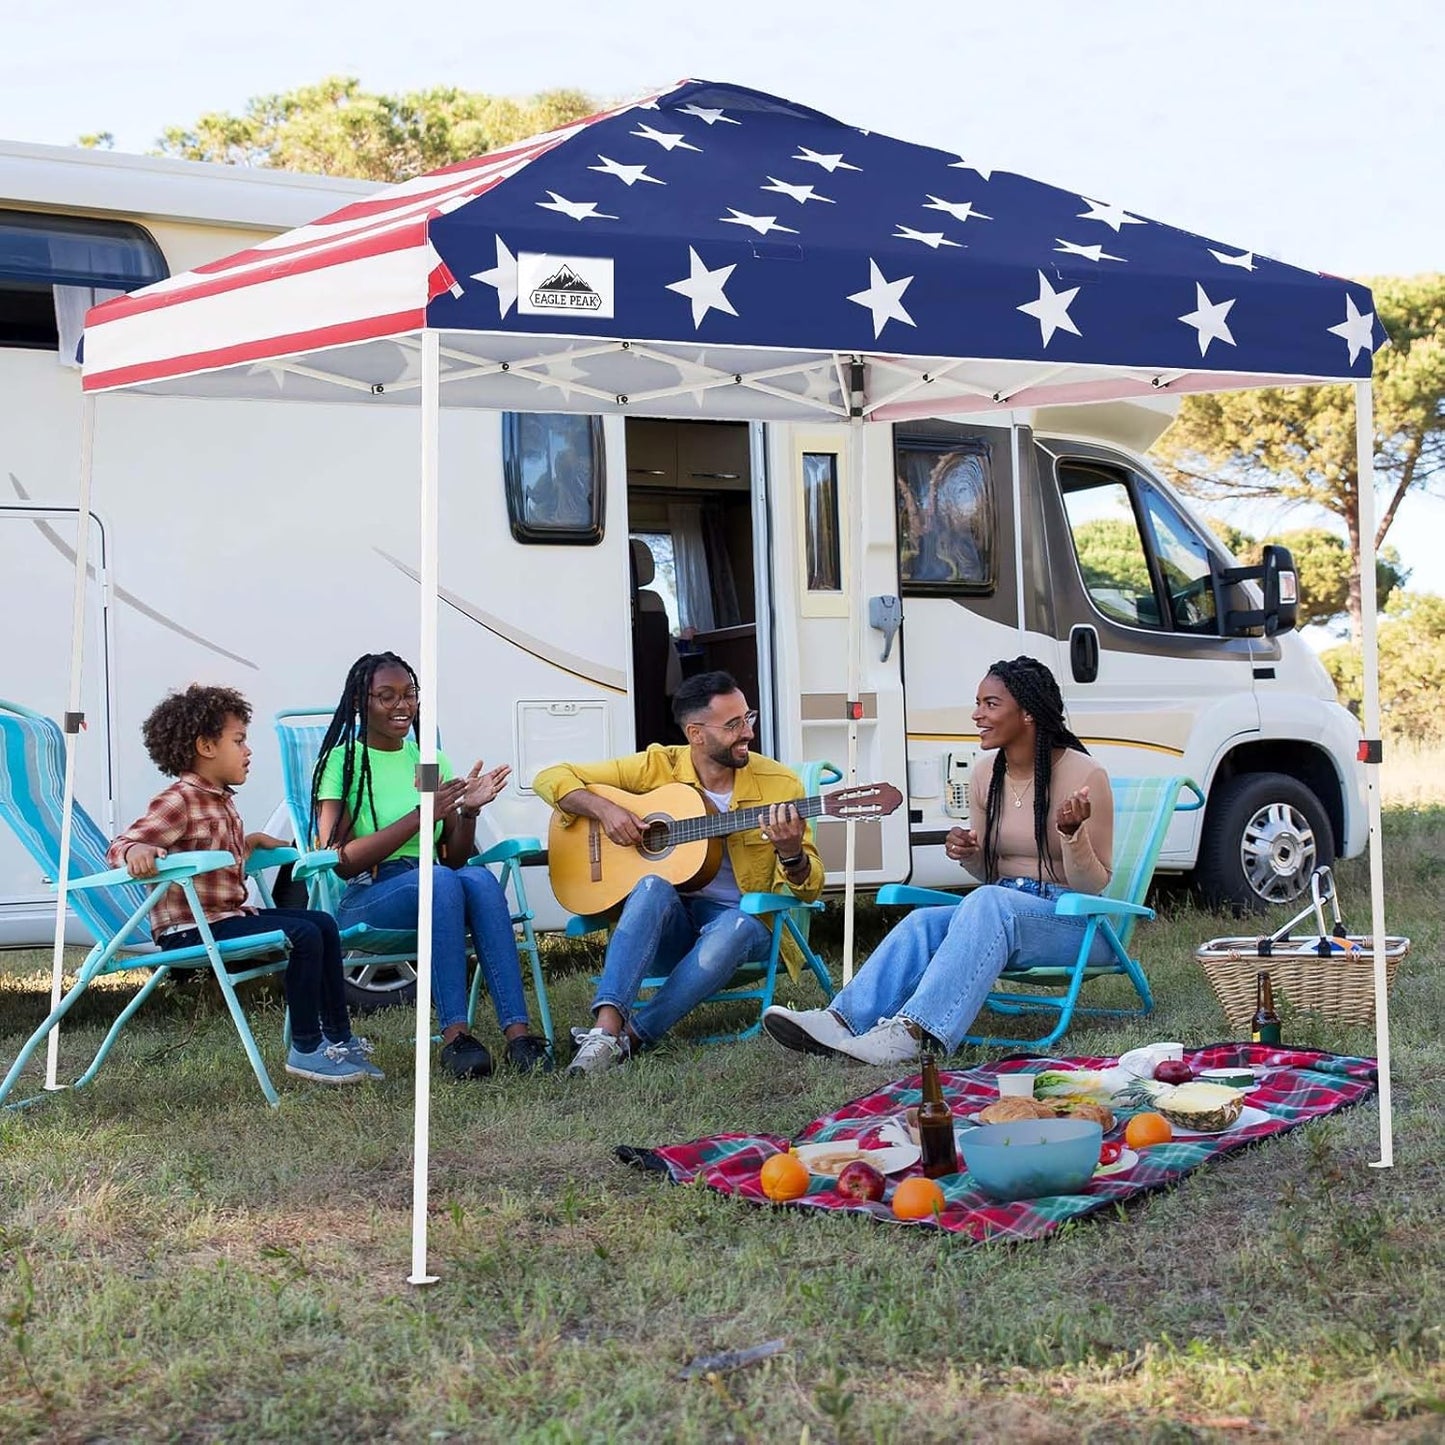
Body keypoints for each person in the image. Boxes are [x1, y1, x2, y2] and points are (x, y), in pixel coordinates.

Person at [763, 656, 1113, 1065]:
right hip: (1003, 912)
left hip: (1076, 923)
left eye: (990, 704)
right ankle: (840, 1020)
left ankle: (912, 1032)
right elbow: (990, 877)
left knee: (988, 901)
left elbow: (1093, 885)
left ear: (1028, 712)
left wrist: (1071, 834)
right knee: (923, 922)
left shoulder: (1085, 776)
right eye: (977, 703)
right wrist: (970, 855)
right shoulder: (986, 774)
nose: (977, 715)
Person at [534, 670, 823, 1075]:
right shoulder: (658, 766)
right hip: (669, 928)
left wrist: (791, 854)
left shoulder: (779, 785)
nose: (748, 733)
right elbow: (548, 777)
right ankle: (604, 1030)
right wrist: (606, 810)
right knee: (652, 884)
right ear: (696, 734)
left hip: (741, 928)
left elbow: (810, 890)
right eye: (733, 724)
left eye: (748, 717)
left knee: (738, 925)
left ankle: (632, 1037)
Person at [107, 684, 381, 1085]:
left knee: (322, 923)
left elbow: (206, 848)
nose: (248, 751)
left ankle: (339, 1040)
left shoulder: (220, 799)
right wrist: (136, 851)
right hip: (192, 929)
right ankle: (307, 1048)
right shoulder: (180, 799)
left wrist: (248, 843)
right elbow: (122, 844)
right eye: (238, 741)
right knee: (304, 934)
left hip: (226, 918)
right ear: (205, 747)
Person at [309, 652, 552, 1079]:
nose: (402, 705)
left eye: (410, 694)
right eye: (387, 696)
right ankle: (456, 1037)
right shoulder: (344, 762)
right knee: (442, 879)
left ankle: (519, 1036)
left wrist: (468, 811)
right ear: (361, 702)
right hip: (370, 893)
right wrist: (421, 816)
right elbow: (340, 861)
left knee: (477, 878)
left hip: (434, 881)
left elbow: (453, 856)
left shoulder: (423, 761)